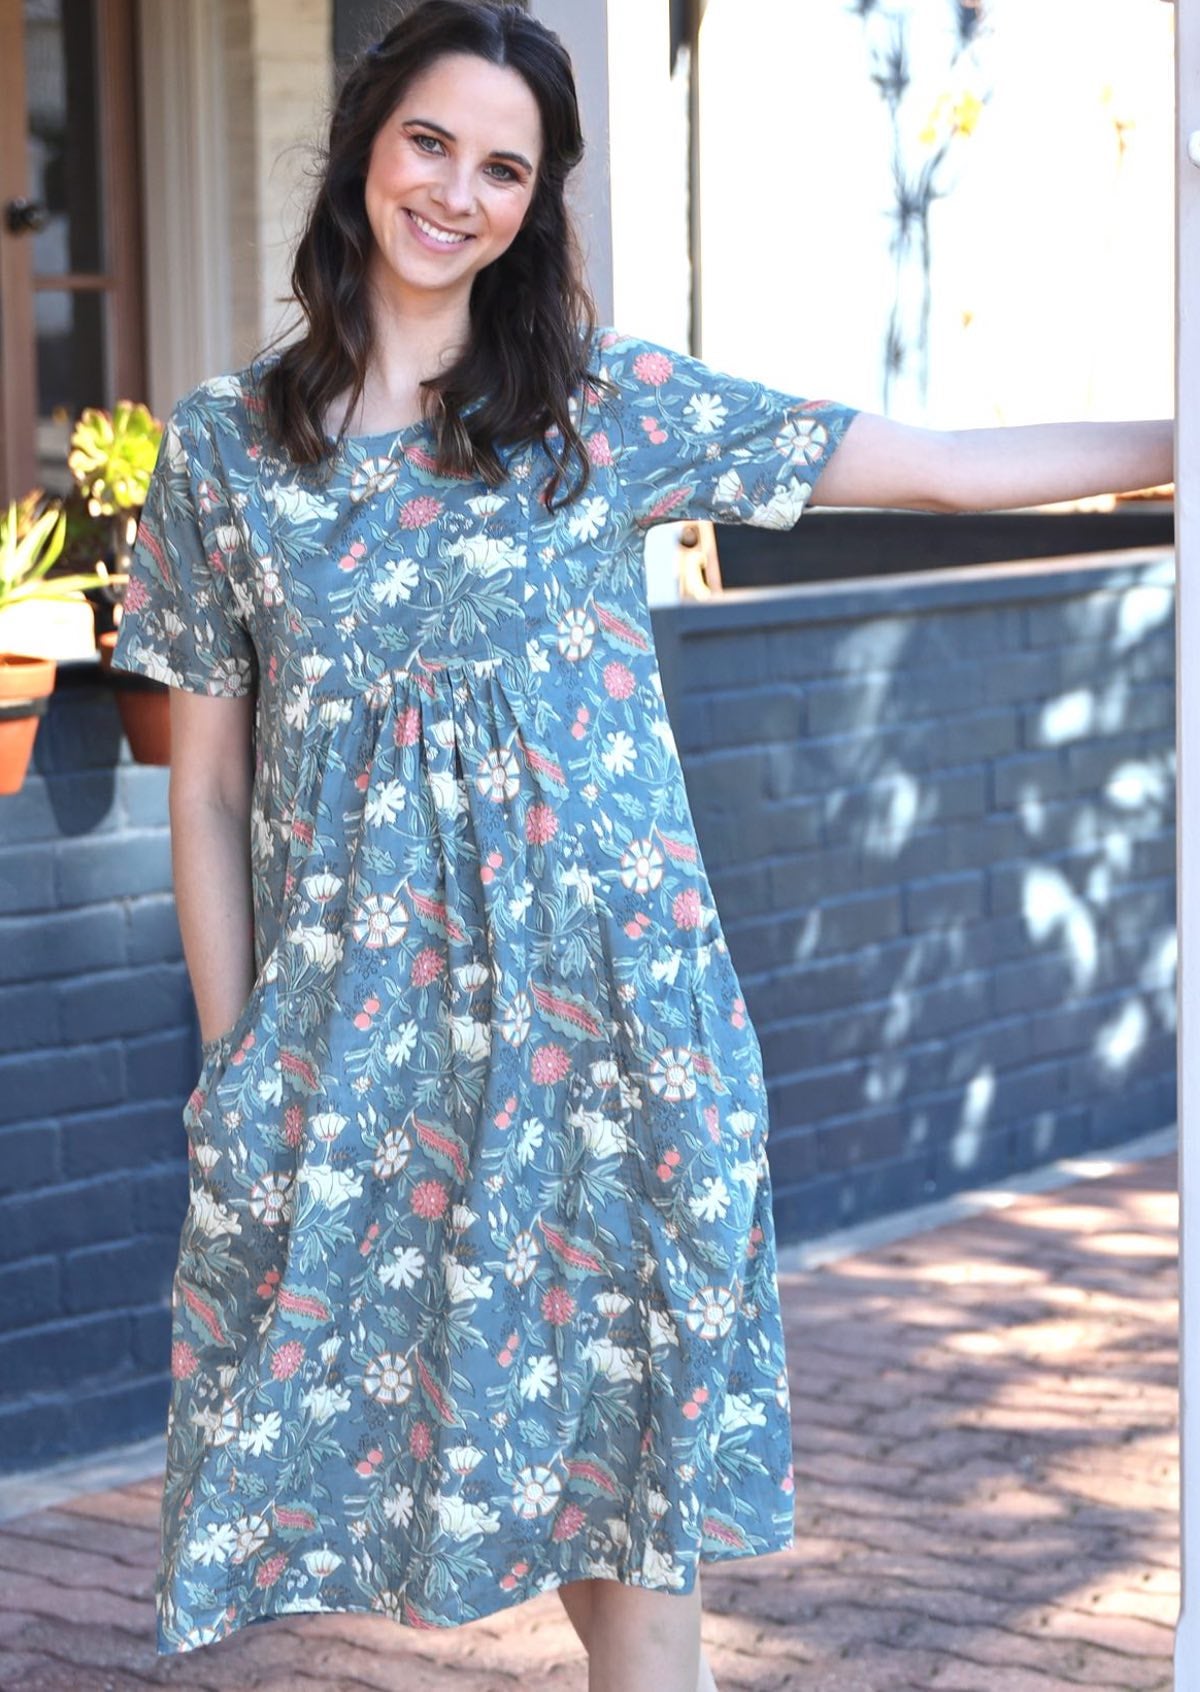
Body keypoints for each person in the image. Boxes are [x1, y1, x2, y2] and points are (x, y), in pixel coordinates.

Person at [110, 1, 1174, 1686]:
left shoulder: (596, 410)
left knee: (630, 1458)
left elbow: (946, 471)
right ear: (366, 147)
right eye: (431, 143)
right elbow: (208, 787)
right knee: (362, 1418)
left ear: (537, 204)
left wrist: (1177, 446)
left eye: (506, 167)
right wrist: (237, 1053)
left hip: (614, 1013)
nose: (458, 191)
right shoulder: (227, 454)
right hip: (365, 1035)